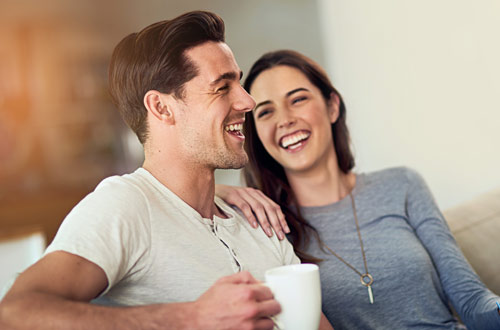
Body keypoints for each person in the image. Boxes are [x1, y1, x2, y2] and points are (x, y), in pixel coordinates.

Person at [0, 13, 333, 330]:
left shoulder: (254, 219)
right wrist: (191, 319)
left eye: (240, 85)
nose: (247, 102)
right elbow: (15, 314)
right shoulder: (125, 205)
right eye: (222, 88)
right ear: (161, 107)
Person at [215, 49, 500, 329]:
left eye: (298, 99)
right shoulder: (265, 225)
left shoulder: (402, 185)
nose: (285, 119)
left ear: (332, 106)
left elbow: (473, 302)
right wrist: (218, 191)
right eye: (265, 112)